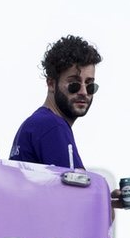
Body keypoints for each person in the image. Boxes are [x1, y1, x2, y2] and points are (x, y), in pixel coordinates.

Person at [9, 35, 102, 169]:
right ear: (51, 83)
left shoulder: (35, 124)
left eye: (90, 85)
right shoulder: (52, 126)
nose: (84, 92)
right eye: (74, 84)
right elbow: (77, 188)